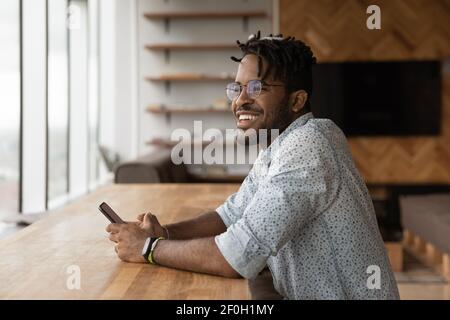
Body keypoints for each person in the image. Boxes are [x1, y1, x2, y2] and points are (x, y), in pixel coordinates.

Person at [106, 31, 400, 300]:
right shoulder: (282, 144)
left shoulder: (309, 143)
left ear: (297, 100)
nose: (241, 100)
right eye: (236, 88)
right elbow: (231, 214)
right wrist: (165, 234)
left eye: (256, 87)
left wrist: (147, 248)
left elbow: (237, 256)